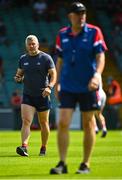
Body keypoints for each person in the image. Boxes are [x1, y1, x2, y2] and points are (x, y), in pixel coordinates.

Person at [50, 2, 107, 174]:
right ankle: (62, 163)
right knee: (62, 123)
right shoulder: (62, 34)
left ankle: (85, 164)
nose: (81, 16)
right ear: (70, 16)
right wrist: (56, 83)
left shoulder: (94, 32)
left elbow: (101, 57)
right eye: (77, 13)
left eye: (83, 13)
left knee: (88, 123)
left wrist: (97, 75)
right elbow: (59, 62)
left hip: (88, 86)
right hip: (67, 85)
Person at [14, 35, 56, 156]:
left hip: (43, 95)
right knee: (26, 121)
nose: (31, 46)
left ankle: (43, 148)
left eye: (33, 44)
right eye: (29, 44)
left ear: (37, 44)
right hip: (28, 95)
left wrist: (50, 87)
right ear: (26, 46)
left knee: (44, 123)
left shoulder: (46, 58)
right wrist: (17, 78)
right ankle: (24, 147)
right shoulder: (23, 59)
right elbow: (19, 74)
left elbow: (54, 74)